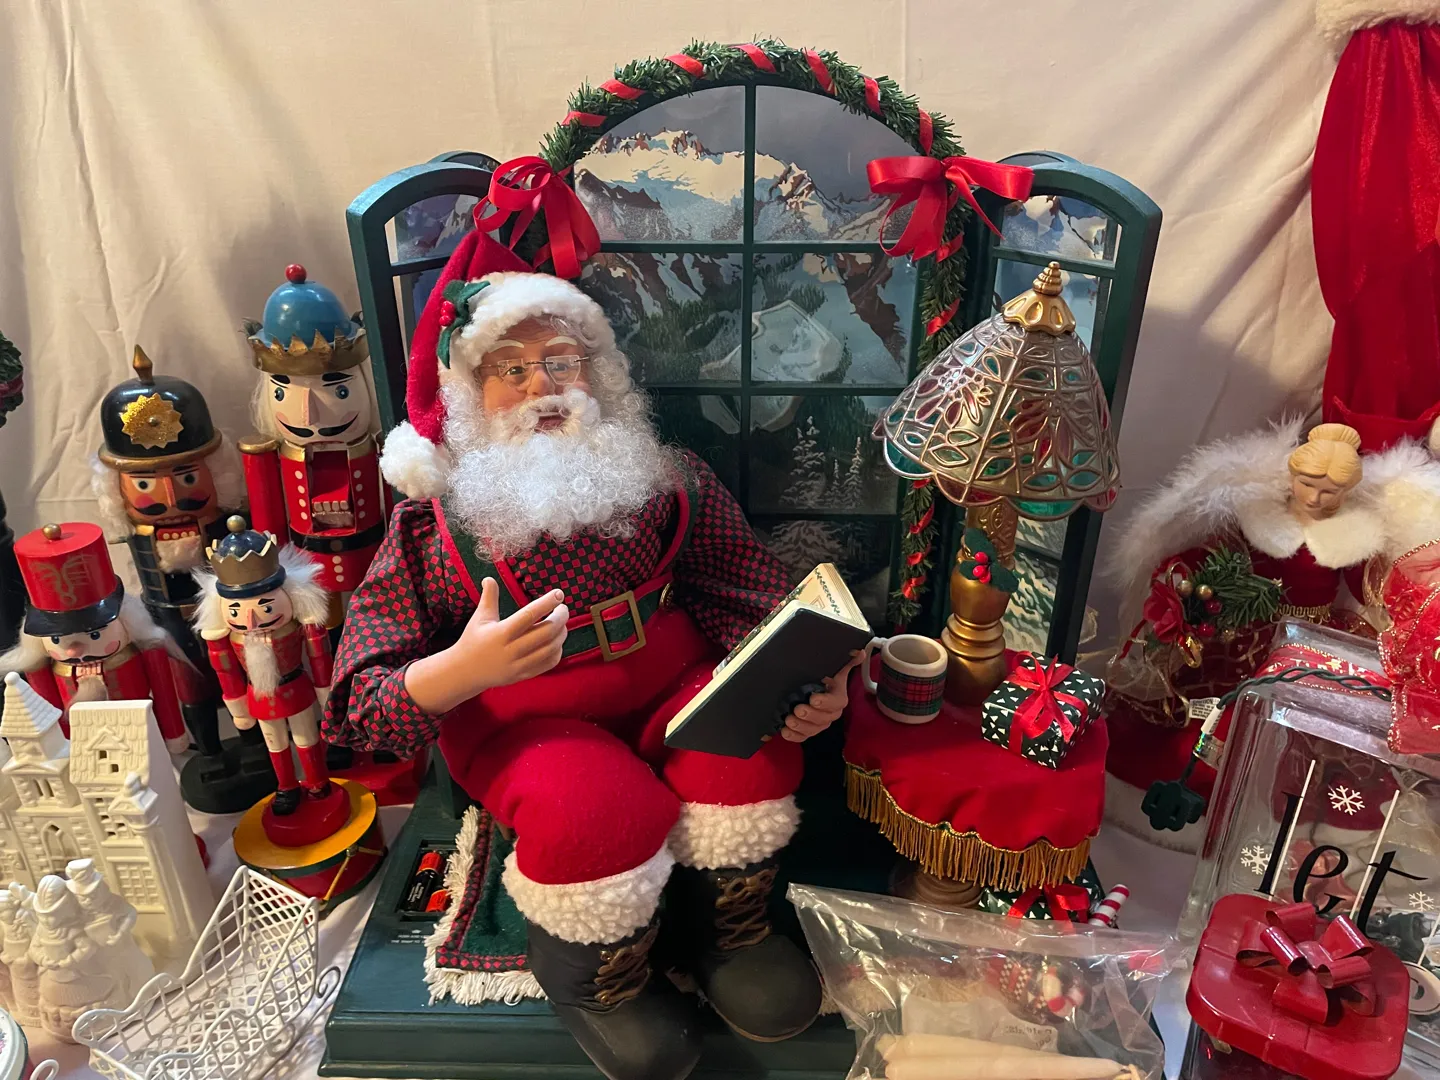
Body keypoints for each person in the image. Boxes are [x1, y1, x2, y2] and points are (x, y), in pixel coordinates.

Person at [325, 232, 858, 1080]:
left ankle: (724, 928)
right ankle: (597, 975)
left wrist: (802, 678)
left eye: (560, 362)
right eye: (511, 369)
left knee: (746, 756)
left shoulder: (665, 479)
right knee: (594, 809)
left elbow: (745, 588)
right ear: (470, 395)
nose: (541, 385)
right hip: (525, 717)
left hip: (666, 679)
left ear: (595, 374)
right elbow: (359, 697)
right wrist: (457, 672)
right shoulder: (434, 527)